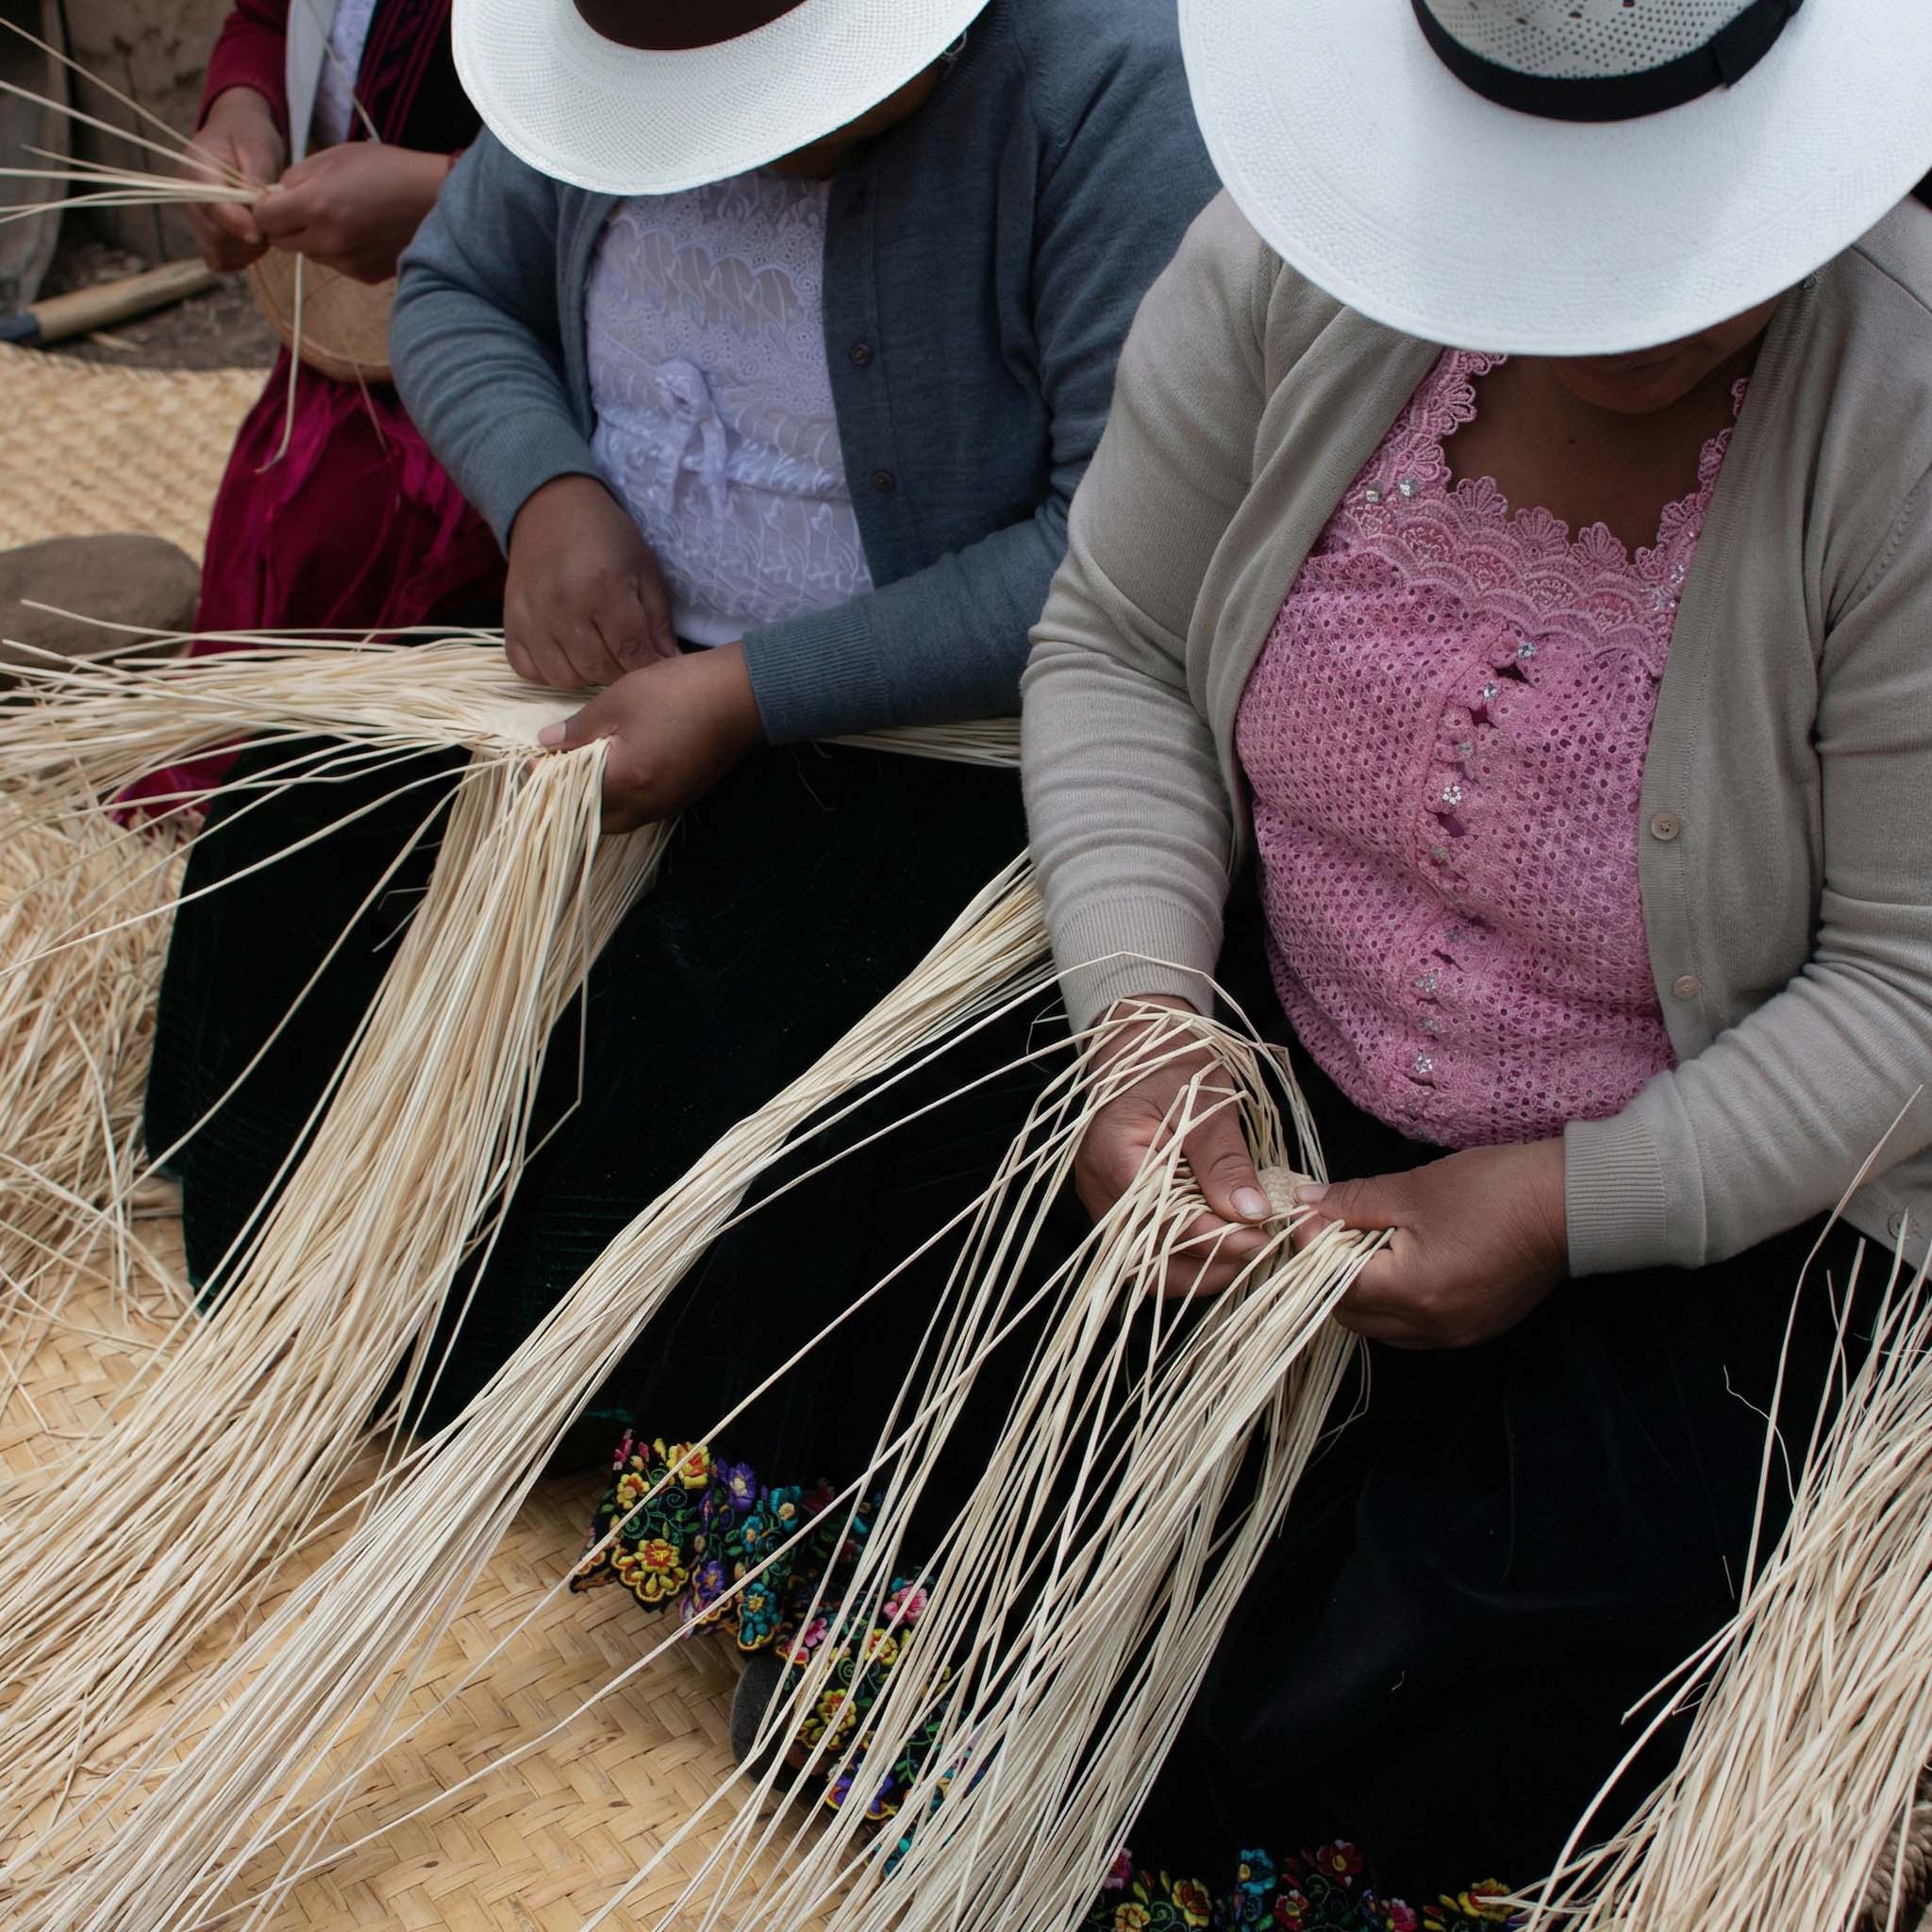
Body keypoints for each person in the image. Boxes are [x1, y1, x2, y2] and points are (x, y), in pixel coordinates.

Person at [143, 0, 1219, 1782]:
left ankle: (564, 1341)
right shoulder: (618, 42)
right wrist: (551, 495)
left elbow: (1113, 542)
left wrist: (748, 693)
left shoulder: (1102, 87)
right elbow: (463, 290)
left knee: (744, 1072)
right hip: (612, 684)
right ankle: (379, 1280)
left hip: (917, 744)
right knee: (287, 827)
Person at [1017, 0, 1932, 1924]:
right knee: (988, 1399)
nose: (1606, 310)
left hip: (1710, 1200)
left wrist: (1561, 1197)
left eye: (1669, 235)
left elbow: (1903, 987)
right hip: (1279, 1079)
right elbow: (1112, 641)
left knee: (1500, 1647)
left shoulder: (1900, 408)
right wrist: (1141, 1016)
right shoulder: (1286, 270)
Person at [134, 0, 500, 807]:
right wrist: (241, 110)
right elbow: (267, 19)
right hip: (331, 373)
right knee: (253, 760)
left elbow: (676, 132)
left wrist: (451, 194)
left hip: (516, 411)